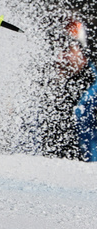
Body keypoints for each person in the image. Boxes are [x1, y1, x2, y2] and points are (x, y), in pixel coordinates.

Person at [31, 17, 96, 161]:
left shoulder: (94, 94)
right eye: (53, 49)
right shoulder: (43, 89)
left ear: (83, 52)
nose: (59, 57)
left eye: (67, 49)